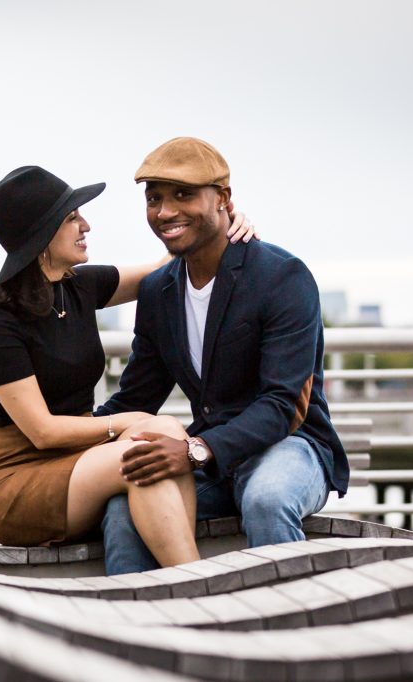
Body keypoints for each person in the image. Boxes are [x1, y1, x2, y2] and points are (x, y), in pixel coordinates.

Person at [0, 165, 255, 567]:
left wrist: (222, 224)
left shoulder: (78, 288)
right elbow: (43, 431)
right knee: (141, 453)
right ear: (42, 233)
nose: (85, 225)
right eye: (71, 218)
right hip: (19, 479)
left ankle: (182, 579)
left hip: (80, 458)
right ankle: (195, 582)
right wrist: (123, 422)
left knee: (164, 433)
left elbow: (166, 269)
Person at [94, 137, 350, 575]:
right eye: (154, 199)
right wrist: (59, 438)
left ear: (223, 199)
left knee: (267, 499)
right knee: (123, 507)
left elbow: (282, 406)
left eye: (183, 194)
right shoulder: (159, 291)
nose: (165, 211)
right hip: (210, 459)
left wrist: (197, 449)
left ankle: (291, 631)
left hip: (290, 445)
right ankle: (141, 634)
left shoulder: (282, 276)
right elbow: (135, 399)